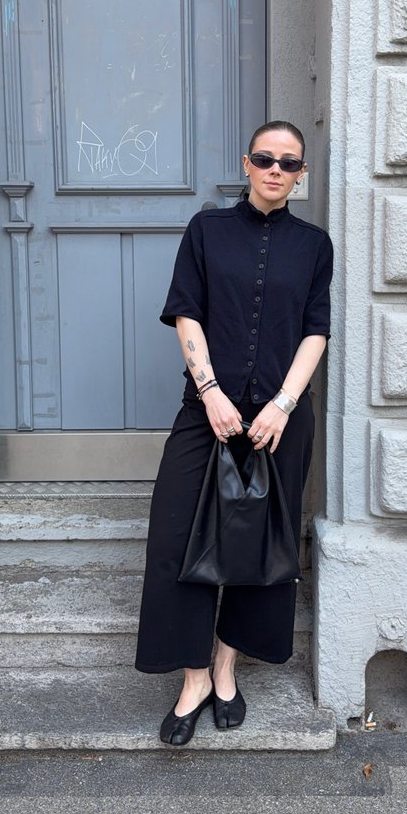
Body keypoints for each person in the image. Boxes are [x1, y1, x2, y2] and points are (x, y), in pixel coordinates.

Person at [134, 121, 334, 745]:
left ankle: (226, 669)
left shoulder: (315, 246)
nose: (276, 169)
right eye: (265, 158)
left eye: (290, 162)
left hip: (280, 420)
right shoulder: (206, 231)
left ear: (300, 175)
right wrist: (211, 392)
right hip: (207, 413)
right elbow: (186, 312)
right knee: (174, 538)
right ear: (245, 163)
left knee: (259, 548)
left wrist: (284, 403)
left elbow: (315, 331)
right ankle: (192, 677)